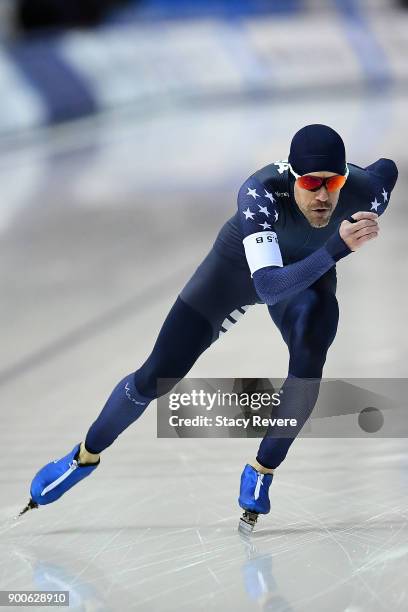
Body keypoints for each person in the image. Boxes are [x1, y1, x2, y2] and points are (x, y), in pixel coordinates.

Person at [20, 124, 398, 531]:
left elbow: (387, 168)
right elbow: (268, 287)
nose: (323, 196)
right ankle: (84, 456)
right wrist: (337, 247)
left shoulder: (367, 193)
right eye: (310, 183)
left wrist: (334, 241)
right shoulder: (261, 193)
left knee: (311, 356)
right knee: (156, 377)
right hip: (234, 274)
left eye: (333, 182)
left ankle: (262, 469)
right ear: (292, 176)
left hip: (308, 277)